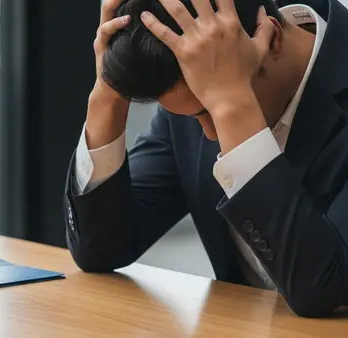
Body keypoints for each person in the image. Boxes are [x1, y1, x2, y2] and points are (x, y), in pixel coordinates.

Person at [63, 0, 348, 318]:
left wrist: (230, 104)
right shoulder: (193, 86)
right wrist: (108, 95)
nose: (211, 134)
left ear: (274, 38)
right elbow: (101, 249)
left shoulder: (214, 85)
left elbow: (323, 289)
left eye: (209, 110)